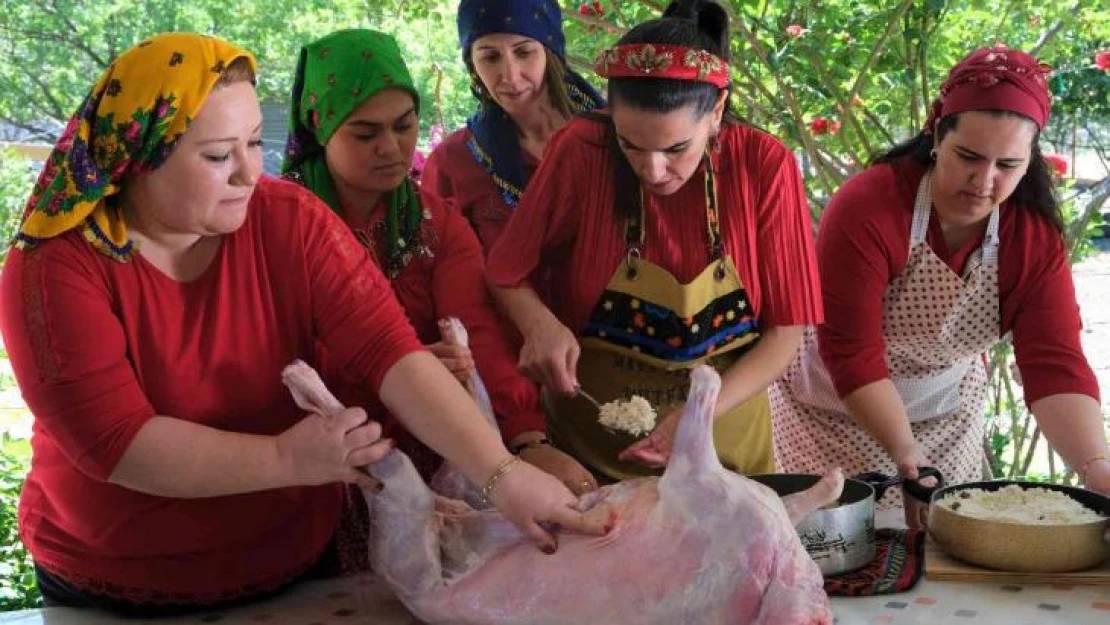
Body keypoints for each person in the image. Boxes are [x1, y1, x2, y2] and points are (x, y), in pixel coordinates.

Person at [0, 33, 602, 617]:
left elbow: (389, 351)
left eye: (256, 144)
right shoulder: (55, 267)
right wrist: (286, 459)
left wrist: (502, 474)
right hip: (114, 582)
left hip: (289, 566)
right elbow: (114, 441)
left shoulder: (288, 220)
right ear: (137, 159)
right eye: (217, 156)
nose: (246, 173)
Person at [770, 46, 1110, 528]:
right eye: (968, 157)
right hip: (830, 410)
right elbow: (852, 353)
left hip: (944, 420)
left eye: (1007, 166)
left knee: (942, 555)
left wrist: (1097, 469)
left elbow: (1055, 363)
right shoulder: (869, 206)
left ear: (1029, 157)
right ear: (936, 134)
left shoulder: (1031, 237)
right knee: (830, 543)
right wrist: (904, 454)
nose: (983, 181)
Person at [485, 0, 823, 482]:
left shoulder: (763, 164)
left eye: (676, 148)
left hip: (722, 452)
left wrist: (700, 411)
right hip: (591, 457)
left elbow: (785, 334)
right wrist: (539, 324)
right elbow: (504, 273)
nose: (653, 170)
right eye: (630, 146)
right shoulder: (581, 149)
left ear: (717, 111)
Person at [281, 29, 596, 495]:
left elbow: (477, 329)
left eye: (405, 125)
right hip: (307, 453)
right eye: (365, 133)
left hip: (436, 444)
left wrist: (526, 440)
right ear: (320, 129)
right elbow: (269, 353)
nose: (390, 147)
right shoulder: (282, 224)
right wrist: (396, 372)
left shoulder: (434, 223)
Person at [422, 0, 604, 254]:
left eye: (523, 52)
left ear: (550, 52)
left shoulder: (612, 135)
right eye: (490, 57)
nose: (510, 76)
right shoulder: (452, 162)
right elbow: (440, 264)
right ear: (472, 64)